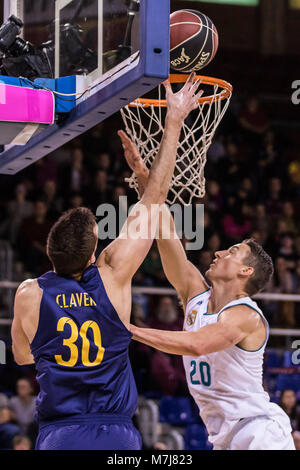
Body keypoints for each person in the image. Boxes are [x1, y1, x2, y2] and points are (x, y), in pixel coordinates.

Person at [11, 74, 203, 451]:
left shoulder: (30, 293)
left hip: (60, 435)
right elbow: (156, 201)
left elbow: (21, 355)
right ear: (93, 254)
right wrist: (174, 121)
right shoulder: (113, 275)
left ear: (52, 253)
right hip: (115, 432)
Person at [121, 134, 295, 451]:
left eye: (231, 252)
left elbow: (197, 345)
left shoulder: (245, 317)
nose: (217, 254)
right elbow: (166, 232)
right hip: (223, 437)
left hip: (258, 434)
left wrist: (130, 330)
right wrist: (145, 179)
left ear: (247, 271)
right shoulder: (194, 295)